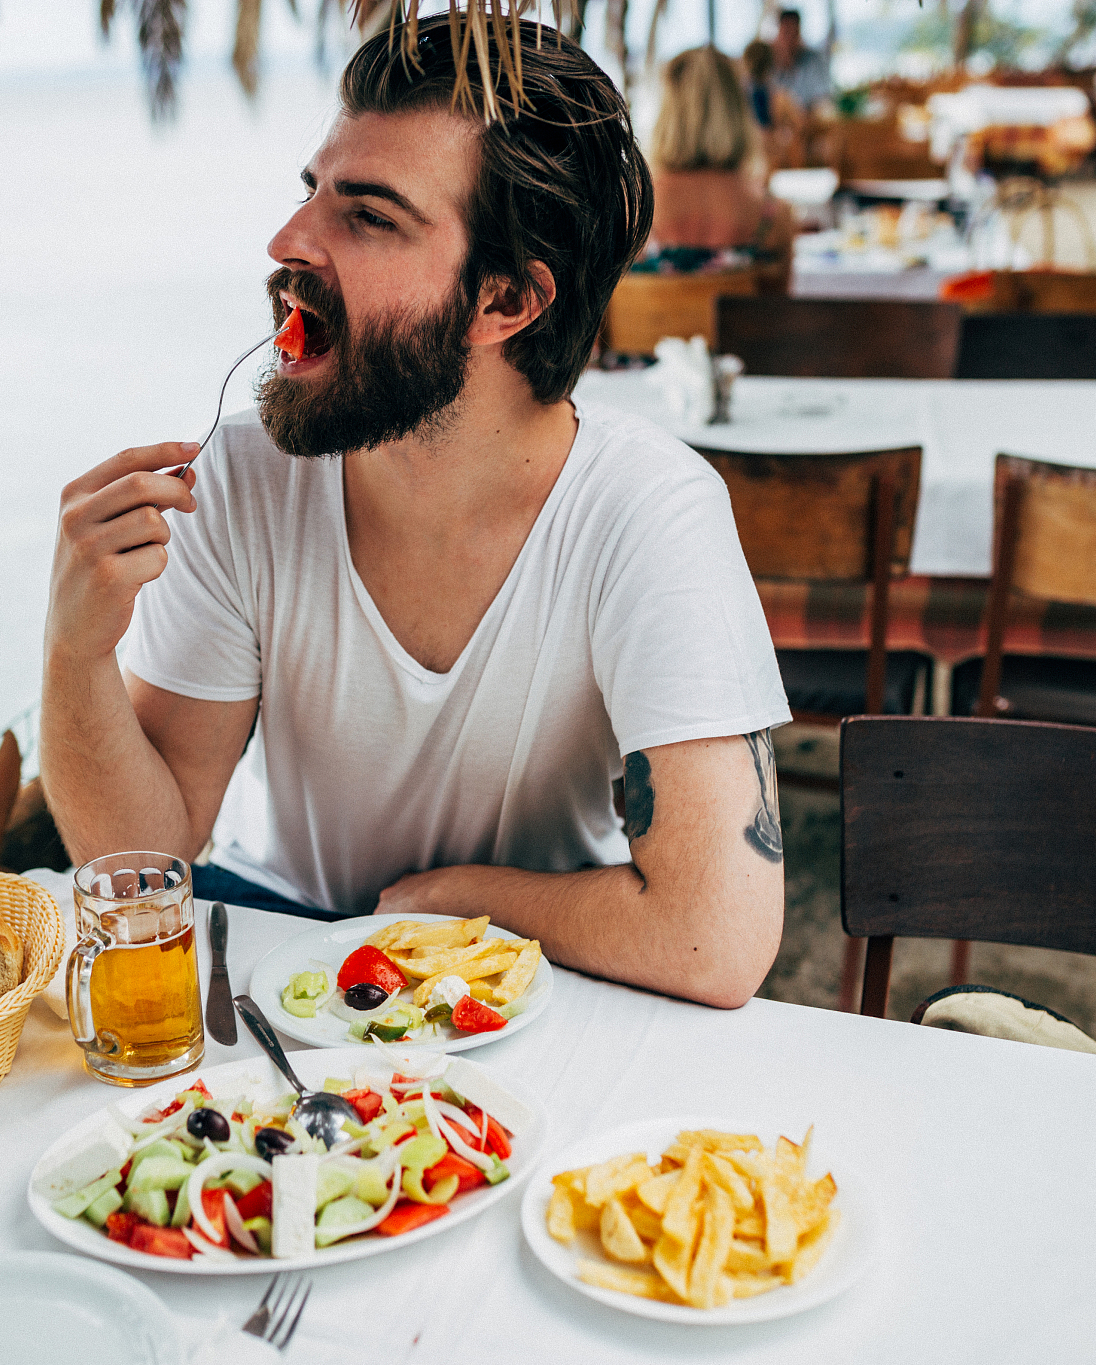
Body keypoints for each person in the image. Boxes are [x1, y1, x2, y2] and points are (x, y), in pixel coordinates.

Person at [40, 23, 790, 1008]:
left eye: (368, 217)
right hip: (288, 975)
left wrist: (455, 900)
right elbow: (144, 858)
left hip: (541, 991)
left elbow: (714, 940)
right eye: (309, 191)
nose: (286, 242)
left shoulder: (646, 513)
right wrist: (74, 654)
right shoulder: (243, 478)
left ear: (504, 300)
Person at [637, 45, 795, 274]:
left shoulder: (632, 212)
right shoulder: (772, 218)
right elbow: (778, 308)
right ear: (738, 110)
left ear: (667, 113)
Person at [770, 8, 833, 113]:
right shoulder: (770, 62)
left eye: (794, 33)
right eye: (786, 33)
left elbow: (823, 98)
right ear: (779, 33)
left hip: (809, 123)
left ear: (799, 33)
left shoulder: (814, 60)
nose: (789, 39)